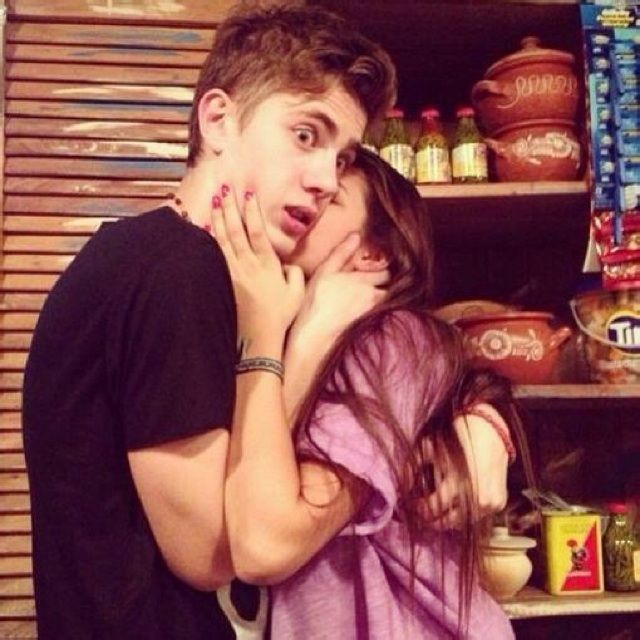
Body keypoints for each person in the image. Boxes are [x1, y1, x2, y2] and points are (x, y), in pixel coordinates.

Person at [21, 4, 397, 639]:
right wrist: (292, 345)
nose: (326, 180)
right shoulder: (177, 268)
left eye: (341, 158)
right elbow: (210, 555)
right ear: (218, 120)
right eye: (307, 135)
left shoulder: (165, 262)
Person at [215, 147, 525, 639]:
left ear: (373, 255)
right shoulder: (263, 332)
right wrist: (301, 345)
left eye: (332, 198)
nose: (309, 194)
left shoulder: (387, 339)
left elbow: (266, 544)